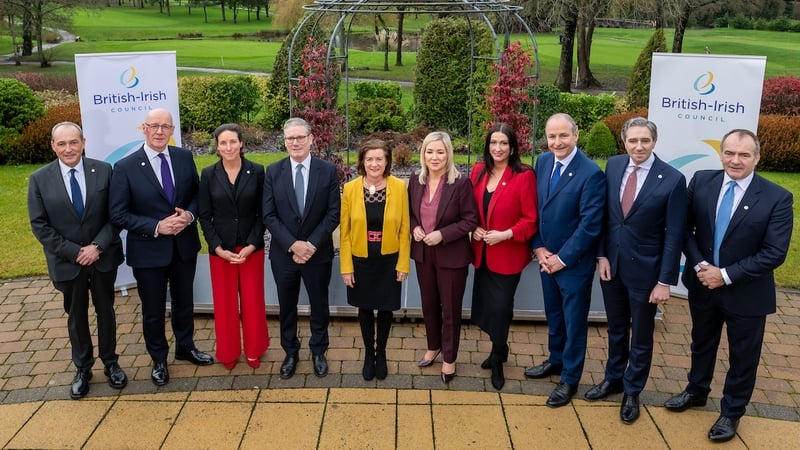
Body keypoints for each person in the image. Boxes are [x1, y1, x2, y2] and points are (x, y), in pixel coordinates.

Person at [664, 129, 793, 442]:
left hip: (746, 292)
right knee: (702, 342)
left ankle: (732, 412)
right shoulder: (702, 182)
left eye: (744, 155)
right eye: (730, 153)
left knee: (743, 356)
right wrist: (701, 266)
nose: (735, 160)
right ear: (721, 153)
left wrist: (724, 275)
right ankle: (696, 391)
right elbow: (684, 229)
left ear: (757, 158)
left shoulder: (777, 198)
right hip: (703, 284)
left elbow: (774, 253)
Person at [585, 117, 687, 424]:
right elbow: (606, 217)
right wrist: (601, 255)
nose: (638, 146)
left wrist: (664, 281)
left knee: (641, 335)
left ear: (654, 141)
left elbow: (674, 234)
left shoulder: (673, 179)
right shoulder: (614, 165)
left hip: (647, 272)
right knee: (616, 328)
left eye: (645, 140)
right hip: (612, 267)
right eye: (633, 140)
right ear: (624, 141)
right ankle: (613, 378)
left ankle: (632, 390)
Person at [109, 108, 213, 387]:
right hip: (148, 251)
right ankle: (158, 359)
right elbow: (118, 214)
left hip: (183, 246)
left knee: (184, 302)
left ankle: (185, 347)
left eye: (165, 126)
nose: (159, 131)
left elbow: (196, 195)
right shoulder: (125, 167)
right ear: (144, 128)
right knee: (153, 310)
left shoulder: (184, 157)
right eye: (154, 126)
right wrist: (157, 226)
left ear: (172, 130)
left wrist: (188, 216)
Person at [28, 122, 127, 399]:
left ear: (83, 142)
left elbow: (116, 215)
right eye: (61, 144)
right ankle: (83, 368)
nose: (68, 149)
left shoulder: (104, 171)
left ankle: (111, 362)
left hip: (102, 258)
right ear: (53, 146)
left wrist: (97, 247)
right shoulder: (39, 179)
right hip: (67, 263)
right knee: (76, 316)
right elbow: (40, 225)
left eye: (73, 142)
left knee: (106, 311)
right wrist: (75, 252)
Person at [526, 113, 606, 407]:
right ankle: (556, 359)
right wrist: (538, 248)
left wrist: (562, 258)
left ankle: (570, 378)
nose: (557, 142)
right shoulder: (544, 161)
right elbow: (537, 209)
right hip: (546, 258)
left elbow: (590, 225)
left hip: (572, 265)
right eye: (552, 136)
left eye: (563, 136)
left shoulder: (591, 173)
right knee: (554, 315)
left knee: (574, 322)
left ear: (576, 135)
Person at [263, 117, 340, 379]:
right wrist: (293, 244)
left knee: (319, 304)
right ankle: (290, 352)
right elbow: (269, 215)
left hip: (317, 253)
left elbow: (333, 213)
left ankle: (319, 350)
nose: (295, 142)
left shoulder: (327, 170)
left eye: (300, 137)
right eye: (290, 138)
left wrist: (310, 244)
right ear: (285, 142)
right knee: (287, 306)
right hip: (284, 254)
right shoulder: (273, 171)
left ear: (310, 139)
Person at [470, 123, 538, 390]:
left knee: (500, 308)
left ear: (512, 148)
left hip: (508, 255)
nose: (498, 148)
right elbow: (469, 209)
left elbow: (530, 219)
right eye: (493, 143)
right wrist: (473, 227)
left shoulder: (523, 176)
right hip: (482, 253)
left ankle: (498, 357)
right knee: (486, 308)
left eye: (503, 143)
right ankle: (499, 347)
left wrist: (506, 234)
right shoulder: (478, 171)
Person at [408, 132, 478, 383]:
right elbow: (410, 212)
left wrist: (442, 234)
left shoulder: (460, 183)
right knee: (428, 304)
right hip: (423, 253)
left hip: (451, 256)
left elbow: (470, 220)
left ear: (449, 154)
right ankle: (433, 346)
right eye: (430, 152)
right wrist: (415, 227)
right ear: (423, 154)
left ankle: (449, 357)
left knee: (449, 309)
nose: (434, 157)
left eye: (440, 152)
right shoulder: (416, 180)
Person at [198, 123, 269, 370]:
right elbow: (204, 216)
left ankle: (254, 349)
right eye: (223, 143)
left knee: (253, 302)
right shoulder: (208, 174)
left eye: (233, 142)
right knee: (224, 304)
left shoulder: (257, 171)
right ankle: (228, 351)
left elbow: (263, 213)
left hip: (251, 249)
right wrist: (217, 247)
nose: (228, 147)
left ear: (241, 144)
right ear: (217, 147)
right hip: (222, 251)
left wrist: (253, 243)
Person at [340, 139, 410, 381]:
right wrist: (346, 267)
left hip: (389, 258)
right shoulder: (350, 189)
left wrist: (403, 264)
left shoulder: (399, 187)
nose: (374, 164)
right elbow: (345, 232)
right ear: (362, 161)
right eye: (369, 159)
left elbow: (405, 229)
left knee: (386, 309)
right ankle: (369, 354)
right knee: (365, 309)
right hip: (361, 258)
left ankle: (382, 353)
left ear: (387, 161)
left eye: (379, 158)